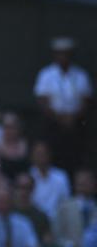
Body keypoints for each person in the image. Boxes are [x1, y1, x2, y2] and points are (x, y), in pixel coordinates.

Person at [34, 37, 92, 172]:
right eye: (59, 53)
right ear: (54, 55)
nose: (63, 57)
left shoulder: (81, 75)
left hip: (76, 125)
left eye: (66, 53)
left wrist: (72, 118)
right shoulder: (46, 74)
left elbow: (86, 101)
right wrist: (60, 118)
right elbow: (42, 100)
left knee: (76, 157)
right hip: (53, 125)